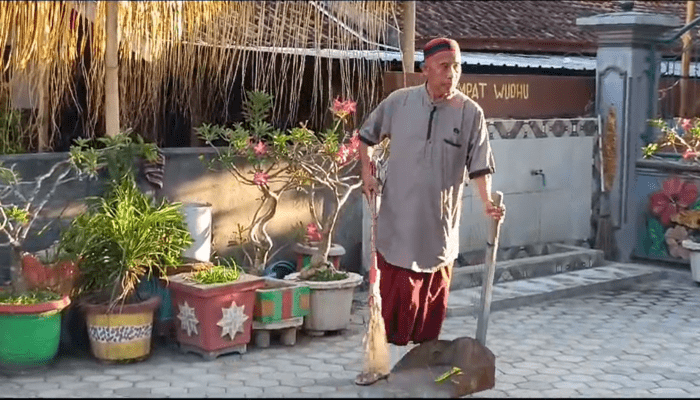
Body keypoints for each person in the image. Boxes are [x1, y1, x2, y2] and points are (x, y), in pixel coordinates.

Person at [355, 37, 504, 385]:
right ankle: (377, 364)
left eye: (456, 67)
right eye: (444, 67)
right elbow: (365, 136)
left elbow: (480, 167)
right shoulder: (399, 103)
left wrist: (487, 204)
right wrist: (367, 172)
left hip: (439, 228)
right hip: (397, 224)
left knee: (429, 312)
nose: (452, 74)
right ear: (425, 70)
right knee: (388, 305)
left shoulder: (470, 113)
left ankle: (419, 370)